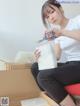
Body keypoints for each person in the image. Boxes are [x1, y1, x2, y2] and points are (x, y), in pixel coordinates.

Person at [31, 0, 80, 106]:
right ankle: (54, 100)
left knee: (43, 76)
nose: (51, 18)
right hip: (71, 65)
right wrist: (40, 57)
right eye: (47, 17)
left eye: (51, 12)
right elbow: (56, 57)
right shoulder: (57, 36)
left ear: (61, 9)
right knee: (35, 67)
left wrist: (62, 32)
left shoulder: (77, 20)